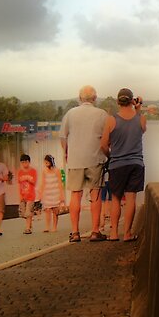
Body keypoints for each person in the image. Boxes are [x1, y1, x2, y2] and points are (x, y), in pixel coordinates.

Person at [60, 85, 108, 243]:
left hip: (75, 160)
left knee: (75, 194)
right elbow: (107, 138)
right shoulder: (102, 114)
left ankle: (75, 233)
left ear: (79, 98)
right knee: (95, 194)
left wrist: (67, 153)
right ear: (95, 98)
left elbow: (63, 137)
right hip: (95, 159)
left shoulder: (70, 114)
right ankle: (95, 231)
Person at [100, 87, 147, 242]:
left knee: (115, 199)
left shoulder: (111, 119)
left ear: (117, 101)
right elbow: (142, 130)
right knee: (131, 198)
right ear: (132, 100)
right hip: (136, 164)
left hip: (117, 165)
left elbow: (103, 145)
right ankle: (127, 234)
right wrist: (138, 108)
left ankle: (113, 234)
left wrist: (111, 156)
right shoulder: (141, 118)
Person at [39, 154, 65, 232]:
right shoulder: (44, 171)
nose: (46, 164)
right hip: (47, 193)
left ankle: (54, 227)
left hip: (55, 192)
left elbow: (60, 183)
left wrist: (61, 195)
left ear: (51, 162)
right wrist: (41, 193)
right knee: (47, 210)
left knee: (55, 211)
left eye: (47, 162)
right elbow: (43, 183)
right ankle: (47, 226)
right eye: (45, 162)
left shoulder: (57, 170)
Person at [17, 154, 37, 234]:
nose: (24, 164)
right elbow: (19, 184)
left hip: (30, 195)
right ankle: (30, 224)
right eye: (22, 162)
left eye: (26, 162)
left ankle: (28, 228)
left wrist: (28, 179)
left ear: (29, 162)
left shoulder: (33, 171)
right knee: (24, 214)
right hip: (23, 195)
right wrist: (20, 195)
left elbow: (34, 182)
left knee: (28, 212)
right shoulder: (20, 172)